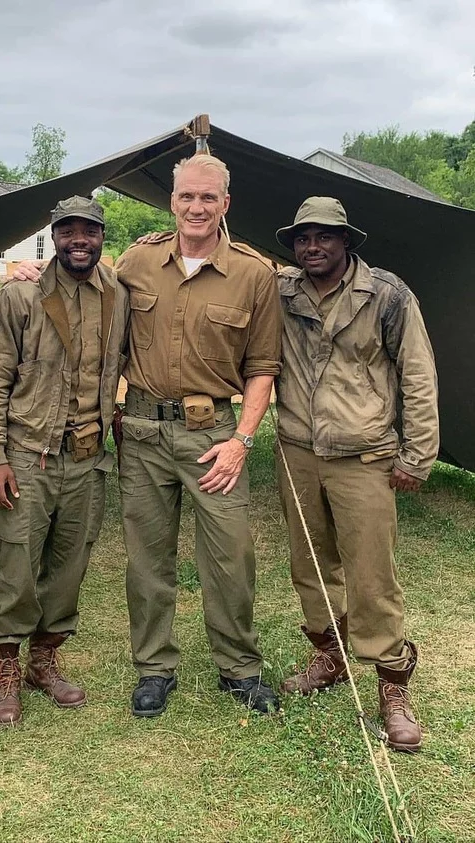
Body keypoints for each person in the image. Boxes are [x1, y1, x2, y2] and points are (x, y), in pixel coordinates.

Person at [115, 154, 282, 717]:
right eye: (187, 195)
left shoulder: (254, 274)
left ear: (225, 205)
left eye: (209, 198)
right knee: (147, 558)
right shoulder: (136, 262)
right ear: (171, 199)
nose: (197, 207)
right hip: (140, 432)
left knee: (231, 555)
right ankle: (155, 668)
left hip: (213, 435)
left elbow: (263, 367)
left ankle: (238, 667)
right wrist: (31, 274)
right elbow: (86, 296)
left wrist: (242, 440)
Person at [274, 196, 439, 753]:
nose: (312, 247)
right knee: (311, 566)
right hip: (298, 449)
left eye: (324, 237)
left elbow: (418, 373)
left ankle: (392, 685)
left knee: (372, 573)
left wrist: (417, 454)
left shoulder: (387, 295)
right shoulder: (281, 291)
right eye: (302, 238)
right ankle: (330, 653)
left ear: (347, 242)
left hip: (364, 454)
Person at [0, 196, 129, 726]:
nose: (78, 240)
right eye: (67, 231)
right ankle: (6, 666)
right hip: (27, 452)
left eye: (88, 231)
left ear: (101, 236)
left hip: (88, 456)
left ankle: (43, 659)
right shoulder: (21, 295)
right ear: (54, 237)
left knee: (70, 564)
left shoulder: (117, 293)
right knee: (17, 561)